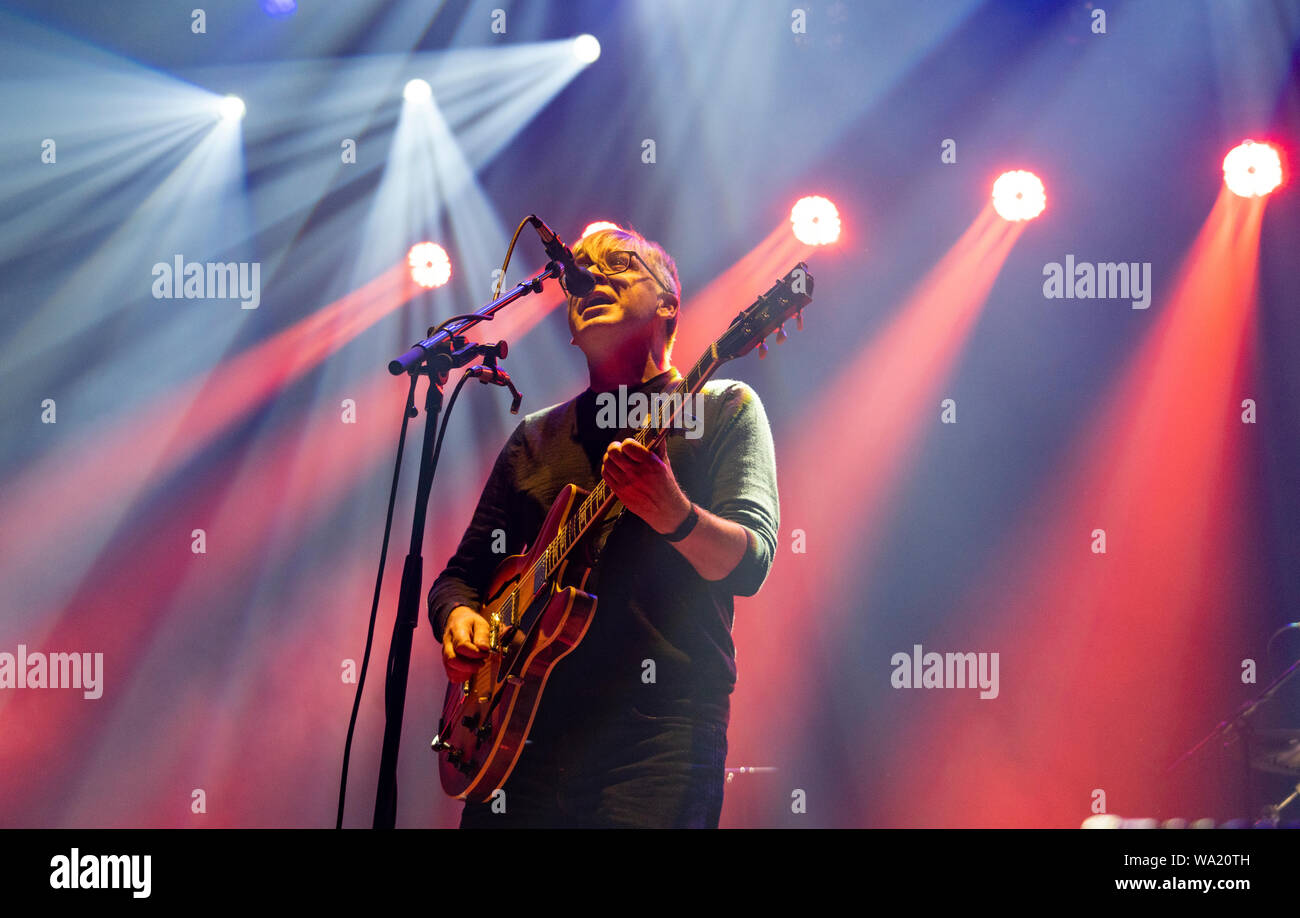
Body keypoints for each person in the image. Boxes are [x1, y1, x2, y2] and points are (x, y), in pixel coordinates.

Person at [427, 225, 779, 828]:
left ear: (670, 303)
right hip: (517, 740)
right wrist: (459, 621)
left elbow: (750, 563)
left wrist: (676, 514)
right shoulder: (535, 438)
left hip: (654, 742)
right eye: (577, 274)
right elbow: (460, 578)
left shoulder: (722, 407)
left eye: (619, 265)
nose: (588, 279)